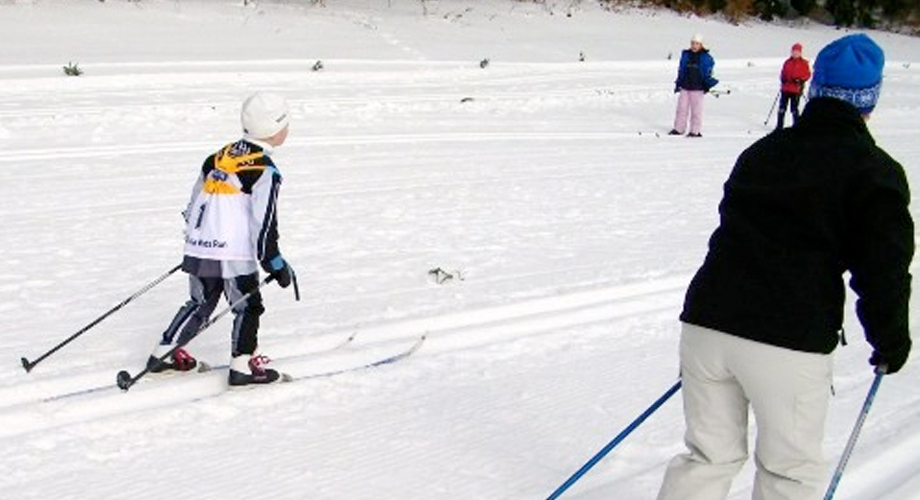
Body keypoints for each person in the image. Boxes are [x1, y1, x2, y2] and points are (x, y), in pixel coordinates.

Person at [656, 34, 913, 500]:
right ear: (869, 98)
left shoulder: (765, 151)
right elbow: (883, 267)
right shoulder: (874, 170)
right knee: (788, 474)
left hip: (708, 325)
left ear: (815, 89)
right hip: (787, 340)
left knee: (708, 459)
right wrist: (890, 337)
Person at [147, 91, 295, 387]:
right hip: (233, 252)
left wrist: (196, 241)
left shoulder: (217, 157)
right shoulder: (264, 170)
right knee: (247, 306)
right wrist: (274, 262)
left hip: (200, 245)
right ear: (276, 129)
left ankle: (164, 354)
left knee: (200, 302)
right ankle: (243, 366)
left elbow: (194, 202)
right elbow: (263, 223)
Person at [670, 33, 719, 138]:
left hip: (697, 88)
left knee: (696, 110)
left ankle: (695, 131)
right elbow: (681, 69)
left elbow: (707, 72)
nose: (694, 46)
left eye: (697, 44)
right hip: (685, 86)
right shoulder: (686, 54)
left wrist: (707, 84)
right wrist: (679, 82)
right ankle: (679, 128)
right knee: (681, 108)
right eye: (692, 43)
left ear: (701, 45)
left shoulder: (705, 57)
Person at [775, 42, 812, 130]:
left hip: (796, 89)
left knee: (794, 108)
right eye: (794, 52)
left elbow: (807, 74)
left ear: (800, 53)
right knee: (782, 107)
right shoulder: (787, 62)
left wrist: (800, 80)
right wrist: (783, 79)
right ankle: (779, 126)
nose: (795, 53)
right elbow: (783, 72)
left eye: (797, 52)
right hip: (786, 88)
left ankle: (796, 125)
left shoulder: (804, 63)